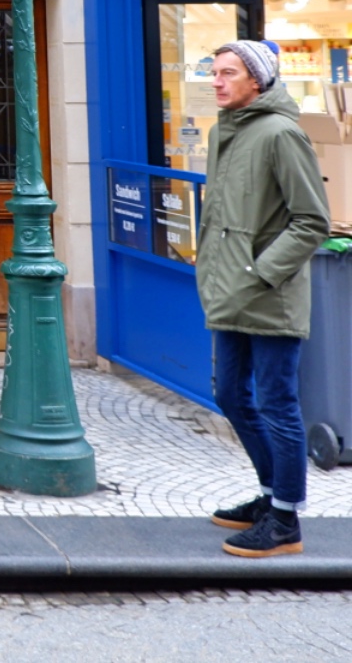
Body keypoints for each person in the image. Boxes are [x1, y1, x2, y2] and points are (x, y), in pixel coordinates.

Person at [197, 38, 329, 559]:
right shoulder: (223, 132)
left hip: (268, 294)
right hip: (230, 289)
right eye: (214, 72)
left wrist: (261, 273)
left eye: (228, 72)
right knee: (230, 394)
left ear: (257, 80)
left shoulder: (281, 133)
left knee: (277, 403)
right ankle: (272, 496)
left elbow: (311, 221)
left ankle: (285, 520)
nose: (216, 81)